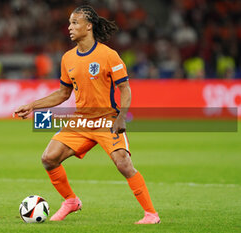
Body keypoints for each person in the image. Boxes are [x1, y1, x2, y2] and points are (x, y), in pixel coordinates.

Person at [14, 5, 160, 224]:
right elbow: (63, 94)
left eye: (75, 22)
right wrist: (34, 105)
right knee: (49, 158)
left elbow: (125, 89)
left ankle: (151, 214)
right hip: (81, 120)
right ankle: (71, 201)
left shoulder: (108, 55)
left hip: (106, 119)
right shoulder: (68, 58)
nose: (70, 27)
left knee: (123, 163)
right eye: (70, 23)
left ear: (88, 26)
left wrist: (121, 117)